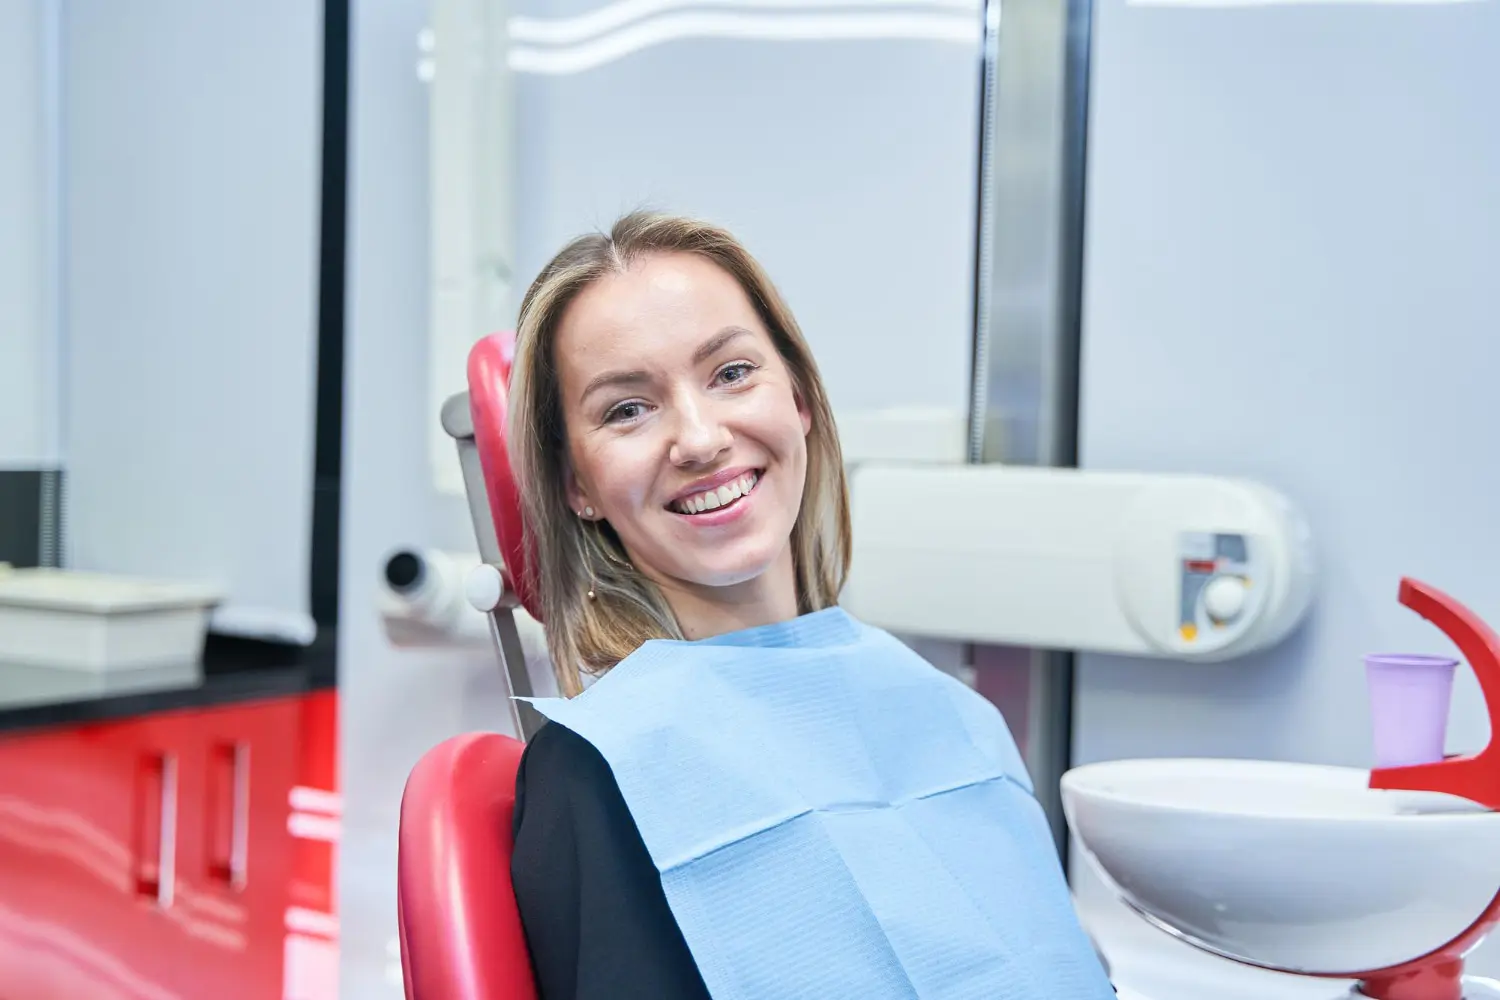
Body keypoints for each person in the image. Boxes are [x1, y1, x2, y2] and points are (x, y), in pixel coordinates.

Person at [505, 211, 1113, 999]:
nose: (699, 439)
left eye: (731, 373)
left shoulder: (956, 718)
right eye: (628, 408)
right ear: (577, 485)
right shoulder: (601, 769)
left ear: (798, 399)